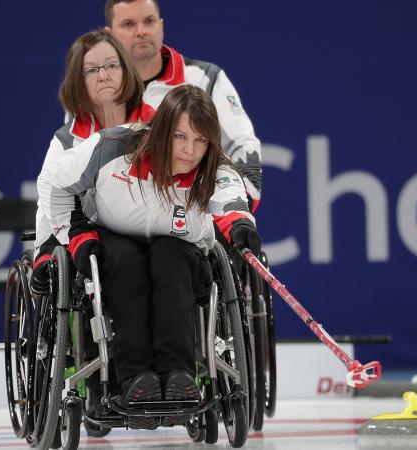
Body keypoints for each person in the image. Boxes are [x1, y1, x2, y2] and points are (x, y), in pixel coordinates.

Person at [34, 85, 261, 429]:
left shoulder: (215, 167)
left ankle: (179, 374)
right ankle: (135, 378)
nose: (190, 150)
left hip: (180, 255)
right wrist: (76, 235)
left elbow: (231, 202)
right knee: (124, 261)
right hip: (114, 241)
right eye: (181, 136)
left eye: (201, 141)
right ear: (162, 129)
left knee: (168, 257)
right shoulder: (113, 147)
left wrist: (241, 227)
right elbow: (54, 182)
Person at [103, 0, 263, 212]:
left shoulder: (206, 79)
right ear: (110, 34)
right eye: (129, 24)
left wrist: (228, 217)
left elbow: (244, 150)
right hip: (112, 226)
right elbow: (73, 163)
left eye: (149, 21)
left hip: (193, 225)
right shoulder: (94, 88)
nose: (141, 31)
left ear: (161, 25)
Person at [34, 29, 154, 251]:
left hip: (155, 226)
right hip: (99, 236)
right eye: (92, 70)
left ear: (126, 70)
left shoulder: (158, 124)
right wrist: (44, 249)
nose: (103, 75)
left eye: (111, 65)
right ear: (79, 82)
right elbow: (49, 198)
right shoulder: (67, 140)